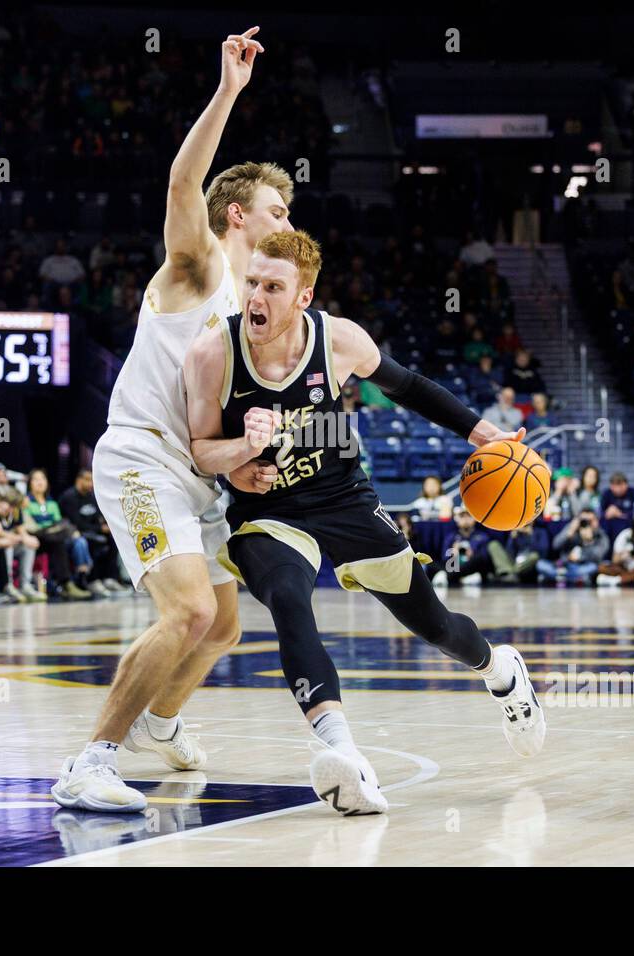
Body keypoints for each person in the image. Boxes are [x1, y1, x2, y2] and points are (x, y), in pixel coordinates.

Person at [180, 229, 544, 816]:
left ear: (303, 297)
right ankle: (346, 758)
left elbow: (411, 388)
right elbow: (200, 449)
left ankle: (499, 668)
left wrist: (485, 435)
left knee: (433, 624)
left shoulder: (339, 340)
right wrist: (238, 458)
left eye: (273, 287)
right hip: (269, 511)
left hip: (344, 497)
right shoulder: (211, 354)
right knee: (289, 603)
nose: (256, 297)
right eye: (251, 282)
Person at [54, 29, 299, 814]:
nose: (287, 217)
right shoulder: (198, 265)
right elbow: (181, 181)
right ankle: (88, 764)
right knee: (188, 610)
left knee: (223, 626)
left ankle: (158, 729)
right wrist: (229, 91)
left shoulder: (256, 308)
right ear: (237, 215)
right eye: (276, 207)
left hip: (198, 480)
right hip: (141, 460)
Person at [23, 468, 93, 600]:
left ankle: (73, 581)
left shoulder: (52, 503)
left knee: (66, 540)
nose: (40, 482)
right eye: (36, 479)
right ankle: (67, 583)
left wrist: (52, 529)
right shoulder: (26, 502)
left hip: (53, 538)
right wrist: (50, 529)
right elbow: (31, 527)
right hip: (36, 539)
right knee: (60, 538)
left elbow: (59, 524)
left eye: (43, 479)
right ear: (30, 483)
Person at [58, 468, 122, 595]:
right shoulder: (69, 497)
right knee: (93, 541)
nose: (90, 484)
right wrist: (100, 529)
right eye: (87, 480)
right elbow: (76, 523)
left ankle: (110, 578)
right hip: (75, 533)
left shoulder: (90, 497)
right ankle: (93, 581)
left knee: (114, 538)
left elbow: (97, 517)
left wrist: (104, 525)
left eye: (92, 481)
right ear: (79, 480)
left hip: (92, 530)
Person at [431, 506, 517, 588]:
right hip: (455, 566)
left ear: (475, 519)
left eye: (468, 516)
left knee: (480, 559)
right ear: (457, 519)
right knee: (431, 563)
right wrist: (453, 553)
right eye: (462, 516)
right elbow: (444, 558)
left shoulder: (482, 536)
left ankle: (447, 575)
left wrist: (472, 554)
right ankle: (456, 576)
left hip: (473, 567)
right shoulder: (451, 537)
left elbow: (485, 558)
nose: (465, 519)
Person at [538, 509, 608, 586]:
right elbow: (555, 545)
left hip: (582, 566)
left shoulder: (600, 535)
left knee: (594, 567)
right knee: (540, 564)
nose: (586, 523)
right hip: (564, 566)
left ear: (596, 521)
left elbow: (598, 556)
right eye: (583, 520)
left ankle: (560, 578)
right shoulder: (571, 529)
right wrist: (569, 534)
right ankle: (573, 578)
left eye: (589, 521)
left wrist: (588, 542)